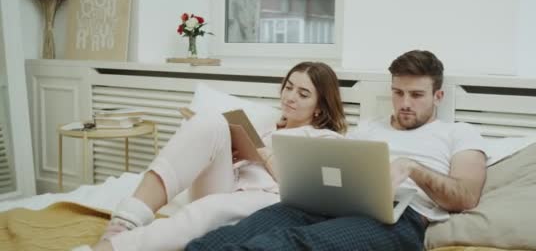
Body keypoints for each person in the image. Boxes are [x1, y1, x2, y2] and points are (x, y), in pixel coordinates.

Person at [184, 50, 488, 251]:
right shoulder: (368, 128)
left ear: (439, 95)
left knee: (290, 243)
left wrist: (410, 167)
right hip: (333, 204)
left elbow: (466, 196)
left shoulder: (458, 132)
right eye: (398, 92)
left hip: (398, 217)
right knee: (231, 235)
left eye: (416, 95)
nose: (405, 103)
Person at [82, 61, 348, 251]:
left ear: (319, 107)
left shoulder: (324, 138)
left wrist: (262, 154)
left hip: (264, 201)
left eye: (303, 94)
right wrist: (232, 150)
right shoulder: (266, 121)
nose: (290, 97)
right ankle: (126, 219)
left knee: (203, 210)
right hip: (229, 183)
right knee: (211, 121)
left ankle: (111, 247)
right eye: (288, 87)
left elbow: (303, 188)